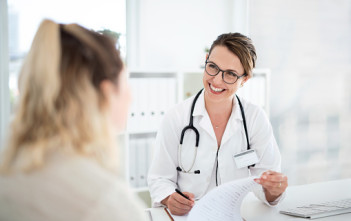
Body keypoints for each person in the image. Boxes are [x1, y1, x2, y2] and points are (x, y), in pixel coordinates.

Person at [0, 19, 146, 221]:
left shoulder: (9, 169)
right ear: (105, 94)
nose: (130, 96)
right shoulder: (104, 202)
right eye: (125, 82)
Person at [148, 33, 288, 215]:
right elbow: (159, 179)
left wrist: (273, 190)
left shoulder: (255, 118)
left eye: (230, 74)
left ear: (244, 79)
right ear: (206, 61)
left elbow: (265, 182)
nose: (216, 80)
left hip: (234, 214)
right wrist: (170, 198)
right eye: (212, 67)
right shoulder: (176, 117)